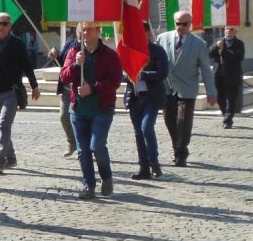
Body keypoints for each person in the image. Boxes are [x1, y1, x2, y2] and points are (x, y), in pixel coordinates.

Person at [60, 22, 122, 198]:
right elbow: (64, 77)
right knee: (83, 150)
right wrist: (75, 66)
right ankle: (89, 185)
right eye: (82, 30)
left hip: (102, 109)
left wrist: (93, 89)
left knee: (97, 146)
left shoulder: (110, 55)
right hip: (79, 110)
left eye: (89, 29)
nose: (85, 33)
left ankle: (106, 176)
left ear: (98, 31)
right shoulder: (74, 53)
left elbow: (115, 81)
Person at [156, 11, 217, 167]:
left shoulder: (199, 44)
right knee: (170, 120)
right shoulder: (162, 39)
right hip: (167, 87)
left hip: (187, 88)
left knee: (183, 121)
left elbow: (205, 69)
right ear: (174, 23)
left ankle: (181, 152)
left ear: (190, 24)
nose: (180, 27)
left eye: (184, 24)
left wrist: (211, 91)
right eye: (178, 23)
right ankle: (177, 147)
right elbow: (156, 61)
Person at [0, 12, 40, 174]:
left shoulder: (18, 44)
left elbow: (27, 66)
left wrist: (34, 86)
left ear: (10, 26)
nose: (1, 26)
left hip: (11, 92)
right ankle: (12, 157)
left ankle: (0, 159)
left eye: (4, 24)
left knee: (3, 124)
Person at [126, 22, 169, 179]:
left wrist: (143, 75)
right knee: (138, 133)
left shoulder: (157, 51)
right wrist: (129, 74)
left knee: (146, 129)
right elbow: (123, 72)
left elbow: (162, 72)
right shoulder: (129, 50)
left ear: (147, 34)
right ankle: (143, 168)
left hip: (151, 97)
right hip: (134, 97)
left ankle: (154, 164)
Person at [48, 28, 79, 157]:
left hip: (81, 89)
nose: (83, 33)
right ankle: (72, 143)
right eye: (80, 30)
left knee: (80, 119)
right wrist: (54, 55)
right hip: (67, 88)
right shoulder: (70, 43)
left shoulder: (91, 46)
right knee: (63, 116)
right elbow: (62, 63)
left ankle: (84, 146)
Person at [210, 26, 245, 129]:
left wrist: (223, 51)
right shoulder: (218, 41)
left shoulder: (239, 43)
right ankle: (226, 113)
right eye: (227, 29)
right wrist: (216, 47)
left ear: (235, 32)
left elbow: (238, 57)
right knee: (220, 98)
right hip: (218, 75)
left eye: (231, 29)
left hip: (232, 75)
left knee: (231, 98)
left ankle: (228, 120)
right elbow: (210, 53)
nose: (228, 30)